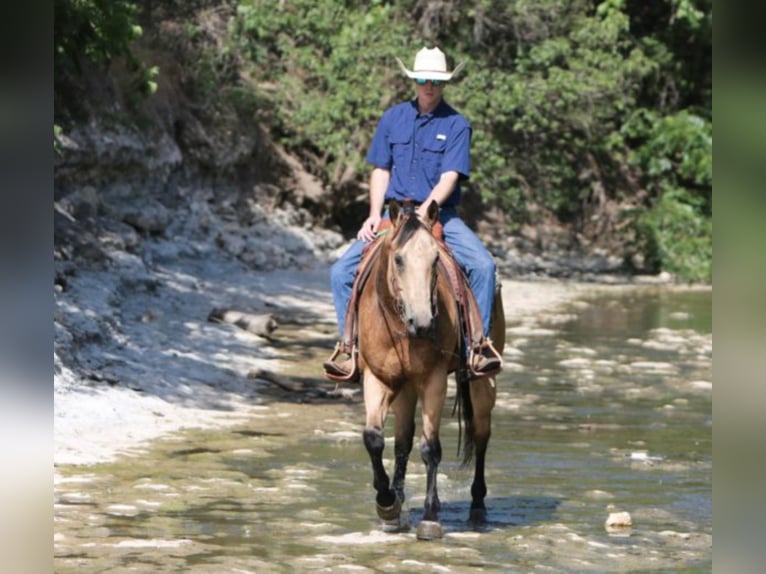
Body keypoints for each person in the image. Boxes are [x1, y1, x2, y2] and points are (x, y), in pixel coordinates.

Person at [324, 46, 502, 381]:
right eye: (422, 79)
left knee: (483, 266)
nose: (428, 86)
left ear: (444, 82)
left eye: (435, 80)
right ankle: (349, 348)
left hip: (439, 215)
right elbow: (381, 169)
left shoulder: (457, 125)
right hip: (394, 216)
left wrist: (425, 211)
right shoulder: (393, 118)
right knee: (340, 273)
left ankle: (478, 348)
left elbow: (450, 175)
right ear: (413, 80)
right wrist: (374, 214)